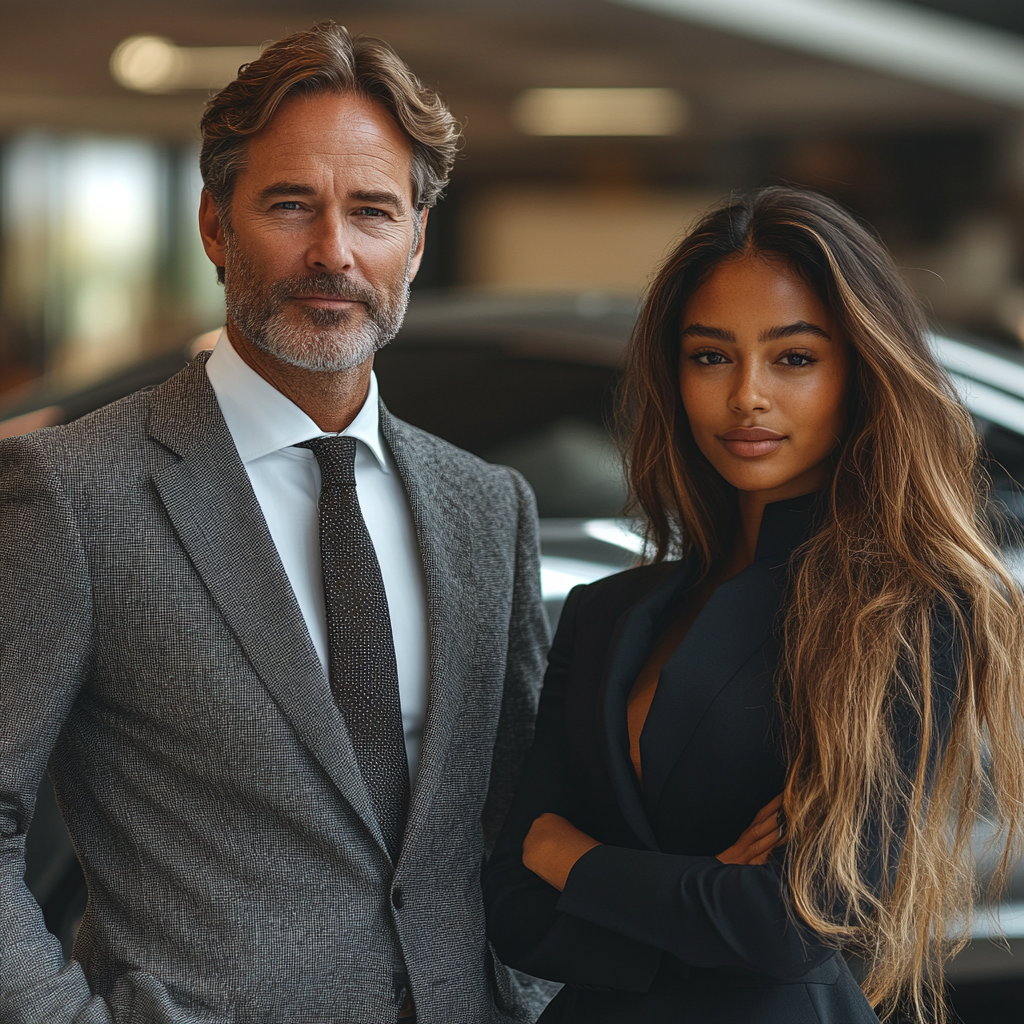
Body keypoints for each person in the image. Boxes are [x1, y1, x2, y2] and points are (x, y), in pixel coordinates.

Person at [0, 23, 551, 1024]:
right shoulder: (74, 493)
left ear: (418, 239)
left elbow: (522, 816)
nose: (332, 252)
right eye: (290, 205)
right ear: (215, 225)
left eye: (372, 211)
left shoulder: (487, 508)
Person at [483, 186, 1024, 1023]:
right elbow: (514, 903)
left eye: (794, 358)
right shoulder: (608, 610)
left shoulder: (908, 613)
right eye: (710, 356)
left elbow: (788, 927)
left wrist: (579, 863)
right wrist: (695, 902)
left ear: (860, 371)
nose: (746, 396)